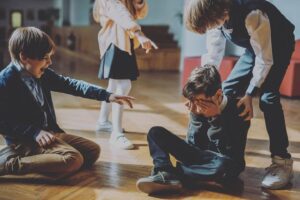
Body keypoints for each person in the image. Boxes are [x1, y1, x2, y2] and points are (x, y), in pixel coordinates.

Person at [184, 0, 295, 189]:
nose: (210, 28)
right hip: (255, 49)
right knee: (226, 92)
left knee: (268, 99)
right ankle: (222, 153)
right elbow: (214, 52)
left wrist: (250, 93)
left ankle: (282, 162)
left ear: (212, 13)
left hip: (279, 45)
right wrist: (202, 83)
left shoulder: (252, 14)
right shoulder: (216, 19)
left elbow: (265, 59)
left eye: (208, 24)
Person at [0, 27, 135, 180]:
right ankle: (9, 163)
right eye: (45, 57)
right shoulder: (5, 81)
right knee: (73, 159)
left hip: (50, 133)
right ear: (24, 57)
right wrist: (34, 132)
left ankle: (49, 161)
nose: (49, 62)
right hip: (25, 141)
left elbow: (71, 84)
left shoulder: (40, 73)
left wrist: (106, 95)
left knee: (92, 151)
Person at [136, 65, 250, 194]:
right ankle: (165, 170)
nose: (196, 104)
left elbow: (226, 152)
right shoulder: (196, 104)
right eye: (192, 100)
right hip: (199, 158)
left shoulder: (240, 110)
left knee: (223, 166)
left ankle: (170, 175)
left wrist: (215, 118)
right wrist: (196, 117)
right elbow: (193, 145)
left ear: (218, 94)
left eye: (200, 100)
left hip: (223, 161)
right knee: (155, 132)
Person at [93, 0, 157, 150]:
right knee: (123, 85)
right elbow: (120, 13)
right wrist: (139, 34)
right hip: (115, 43)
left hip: (123, 42)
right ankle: (116, 134)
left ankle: (103, 122)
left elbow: (139, 13)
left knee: (114, 85)